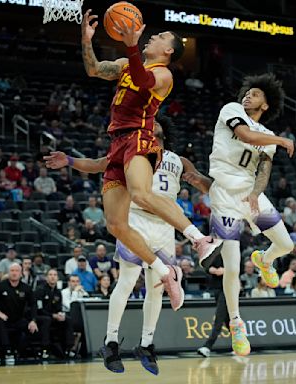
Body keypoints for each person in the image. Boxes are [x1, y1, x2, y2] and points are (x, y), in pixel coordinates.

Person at [50, 9, 222, 319]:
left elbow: (143, 82)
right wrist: (86, 42)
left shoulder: (164, 74)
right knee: (116, 224)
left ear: (168, 50)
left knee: (142, 194)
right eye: (151, 35)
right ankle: (165, 272)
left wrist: (131, 45)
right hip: (117, 144)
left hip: (140, 138)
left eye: (158, 37)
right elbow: (94, 70)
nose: (152, 37)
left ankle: (199, 240)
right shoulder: (124, 66)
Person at [46, 115, 210, 374]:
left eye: (155, 123)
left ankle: (146, 344)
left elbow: (204, 183)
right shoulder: (132, 150)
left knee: (158, 287)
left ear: (163, 130)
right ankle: (110, 342)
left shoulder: (179, 160)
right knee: (127, 281)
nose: (150, 124)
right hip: (135, 219)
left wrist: (217, 186)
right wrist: (68, 160)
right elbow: (99, 164)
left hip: (165, 226)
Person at [182, 73, 295, 356]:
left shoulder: (267, 137)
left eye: (255, 94)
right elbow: (245, 135)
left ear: (266, 105)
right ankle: (236, 323)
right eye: (247, 92)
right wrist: (282, 139)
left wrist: (257, 193)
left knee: (286, 245)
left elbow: (264, 171)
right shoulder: (231, 110)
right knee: (232, 267)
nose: (248, 96)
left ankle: (264, 259)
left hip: (248, 193)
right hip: (223, 195)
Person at [0, 263, 50, 363]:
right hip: (4, 318)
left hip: (19, 318)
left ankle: (23, 352)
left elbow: (33, 305)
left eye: (17, 271)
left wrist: (33, 320)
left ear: (21, 274)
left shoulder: (26, 288)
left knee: (31, 328)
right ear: (8, 273)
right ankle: (7, 351)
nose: (14, 273)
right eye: (12, 271)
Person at [35, 269, 76, 358]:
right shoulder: (40, 290)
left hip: (54, 316)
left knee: (67, 319)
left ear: (57, 278)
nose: (53, 277)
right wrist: (53, 315)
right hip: (41, 316)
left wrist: (60, 314)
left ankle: (69, 348)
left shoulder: (58, 292)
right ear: (46, 277)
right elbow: (39, 309)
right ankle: (45, 349)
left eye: (55, 275)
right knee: (47, 320)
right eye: (50, 275)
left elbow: (59, 308)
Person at [197, 256, 227, 358]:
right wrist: (211, 269)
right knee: (227, 320)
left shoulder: (232, 250)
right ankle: (242, 345)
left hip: (228, 288)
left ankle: (207, 346)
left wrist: (226, 270)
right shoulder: (214, 252)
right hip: (216, 289)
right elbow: (206, 266)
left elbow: (238, 267)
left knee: (219, 318)